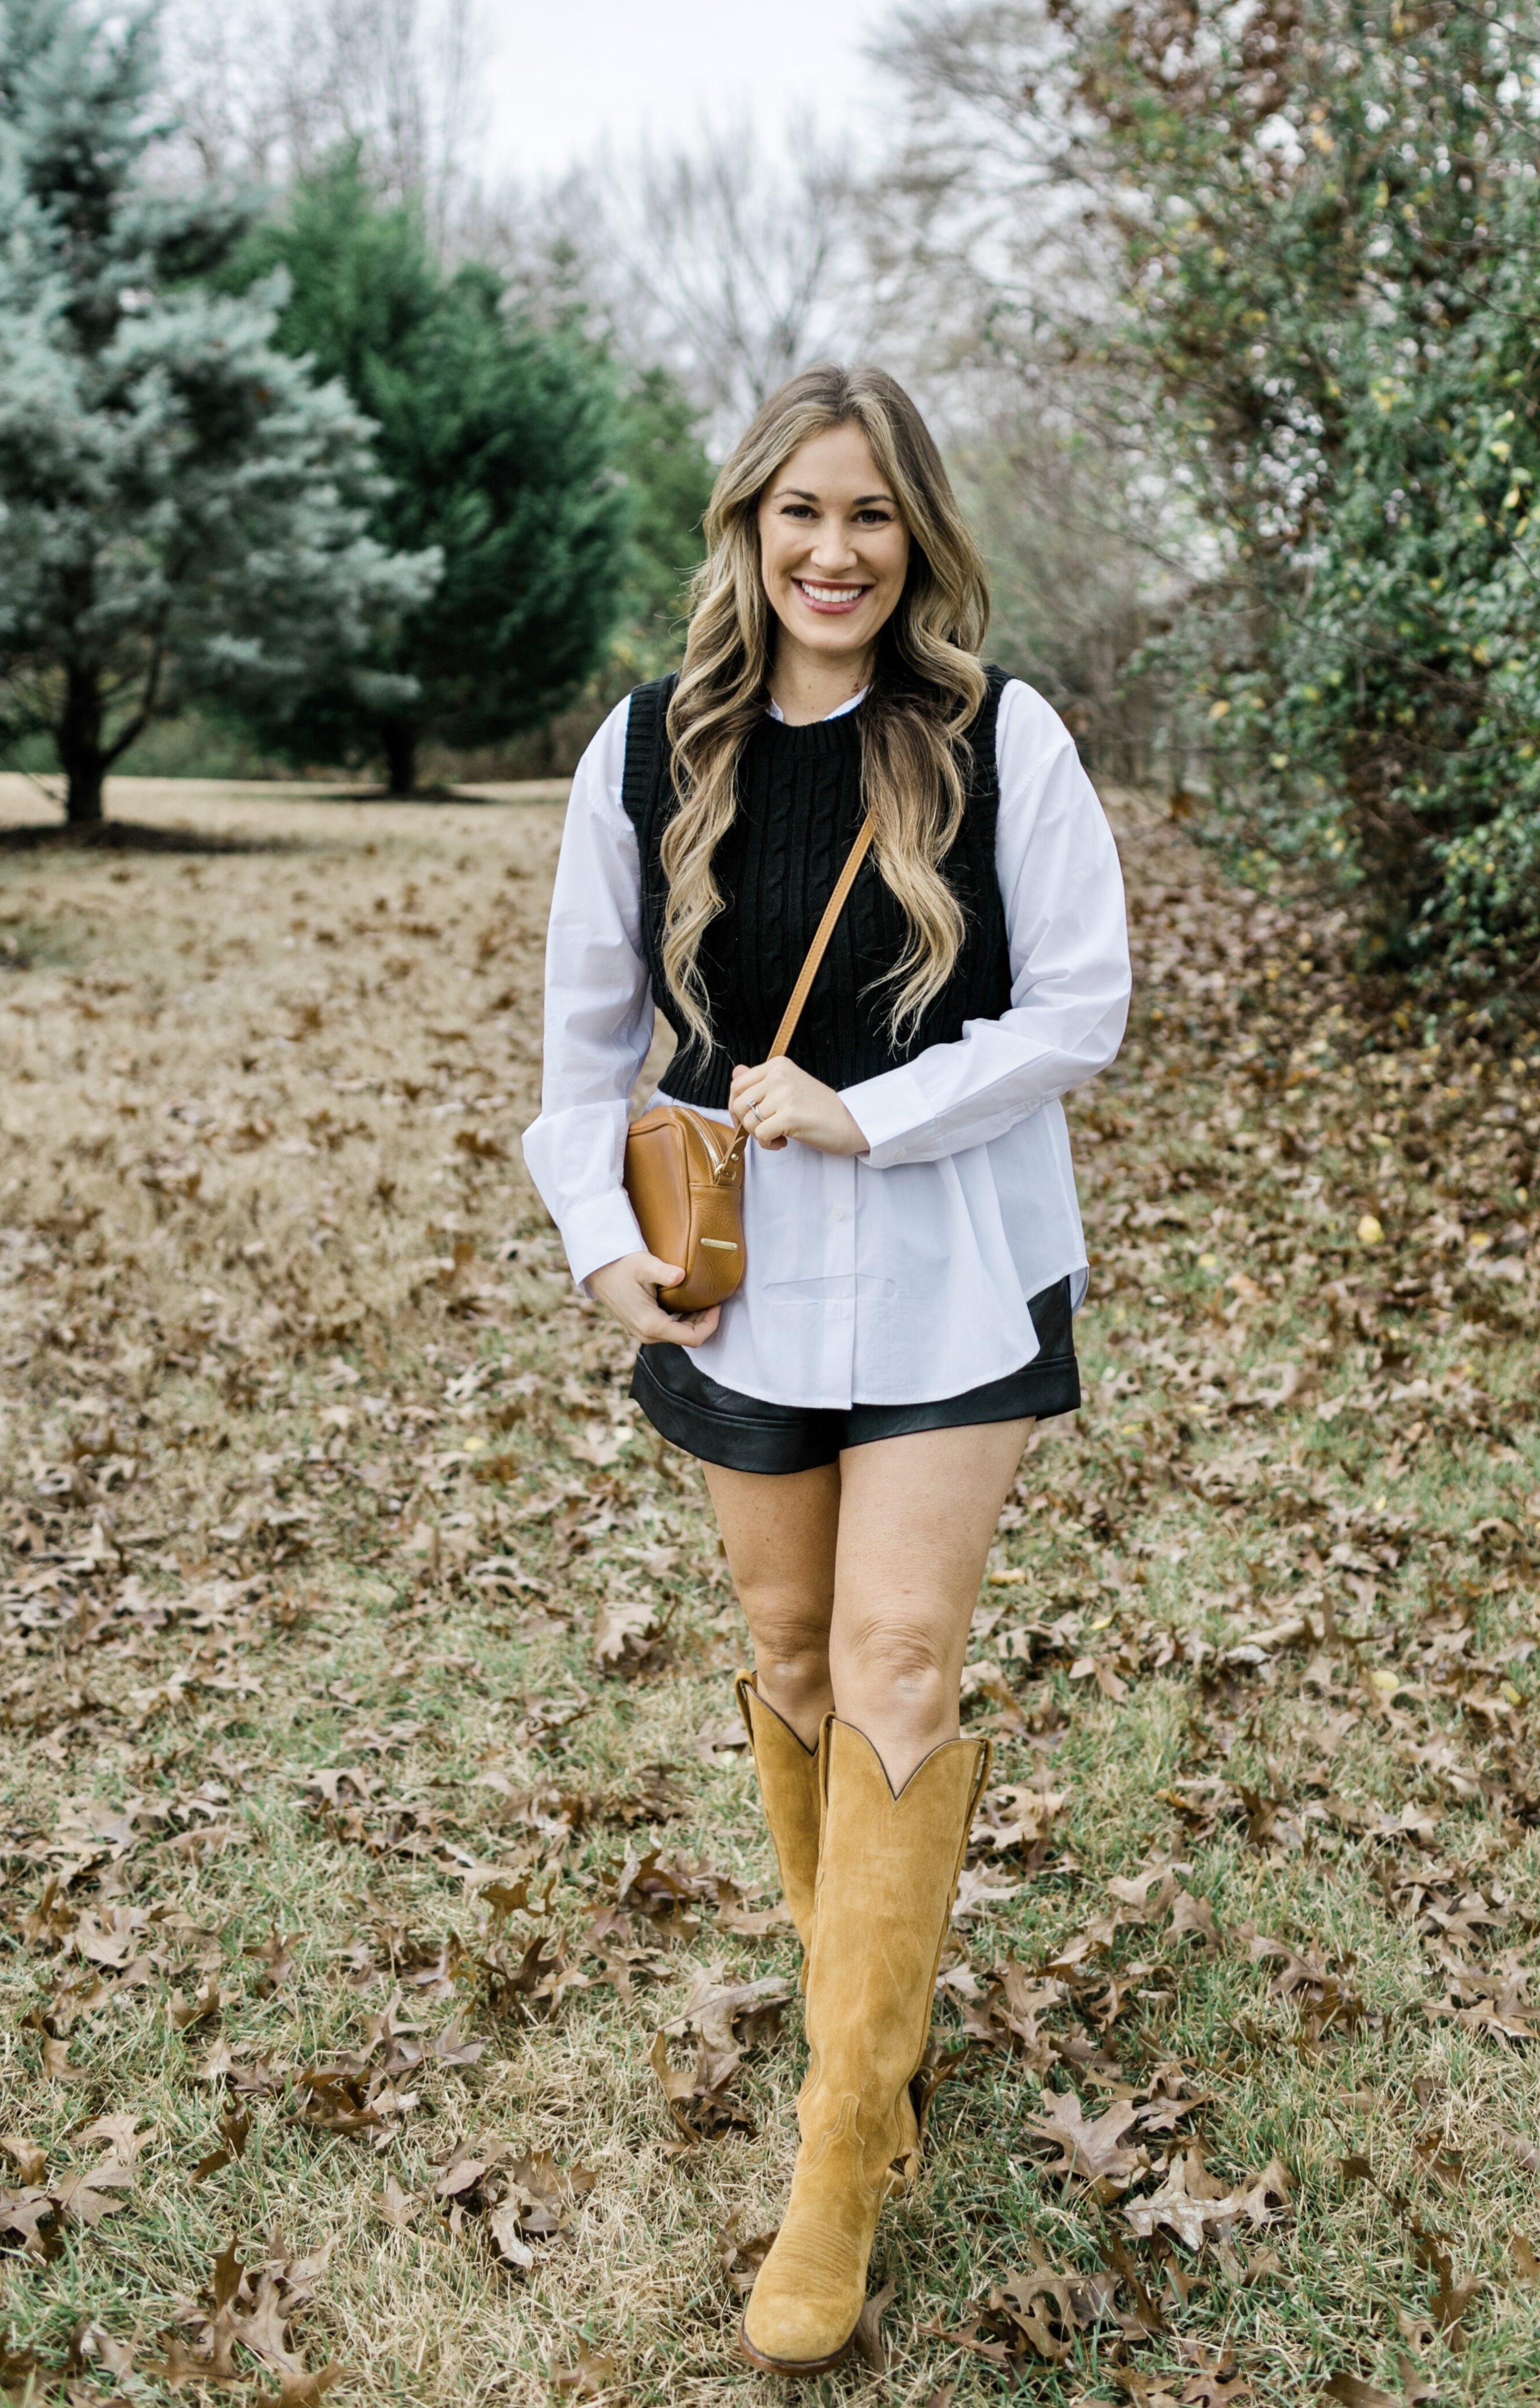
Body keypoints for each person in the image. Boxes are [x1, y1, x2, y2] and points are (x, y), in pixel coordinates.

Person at [522, 363, 1129, 2375]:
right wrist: (611, 1255)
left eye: (870, 515)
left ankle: (840, 2155)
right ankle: (868, 2033)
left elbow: (1083, 1008)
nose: (833, 551)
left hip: (953, 1267)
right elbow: (577, 1056)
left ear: (917, 532)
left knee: (892, 1669)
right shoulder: (649, 751)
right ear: (747, 531)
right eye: (800, 514)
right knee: (788, 1660)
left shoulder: (996, 734)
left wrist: (880, 1113)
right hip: (744, 1291)